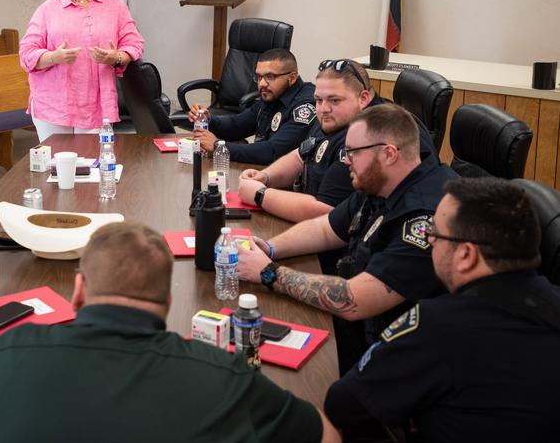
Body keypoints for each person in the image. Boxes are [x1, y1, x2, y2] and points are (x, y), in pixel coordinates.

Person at [0, 222, 340, 443]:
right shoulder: (227, 375)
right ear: (167, 300)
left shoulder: (5, 352)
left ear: (78, 291)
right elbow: (327, 437)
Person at [325, 178, 560, 443]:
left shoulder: (441, 325)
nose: (430, 242)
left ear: (466, 255)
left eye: (435, 234)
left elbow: (342, 404)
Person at [237, 104, 458, 372]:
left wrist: (269, 273)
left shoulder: (426, 217)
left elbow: (356, 301)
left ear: (389, 154)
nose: (344, 160)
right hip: (359, 330)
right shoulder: (383, 181)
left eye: (352, 152)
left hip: (397, 359)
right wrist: (270, 249)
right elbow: (327, 229)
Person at [237, 59, 436, 224]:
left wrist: (261, 195)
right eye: (319, 100)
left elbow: (325, 211)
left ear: (363, 98)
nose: (323, 109)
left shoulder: (369, 135)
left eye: (335, 100)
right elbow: (301, 155)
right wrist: (265, 176)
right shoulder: (335, 117)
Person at [19, 0, 145, 142]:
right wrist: (53, 57)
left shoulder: (114, 6)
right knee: (58, 169)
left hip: (96, 106)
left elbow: (135, 42)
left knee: (94, 167)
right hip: (54, 106)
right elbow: (26, 54)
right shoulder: (47, 10)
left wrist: (116, 57)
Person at [187, 48, 316, 164]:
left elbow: (273, 152)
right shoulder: (272, 95)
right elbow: (236, 126)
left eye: (270, 77)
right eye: (259, 77)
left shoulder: (305, 106)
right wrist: (208, 119)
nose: (262, 84)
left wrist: (219, 146)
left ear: (292, 78)